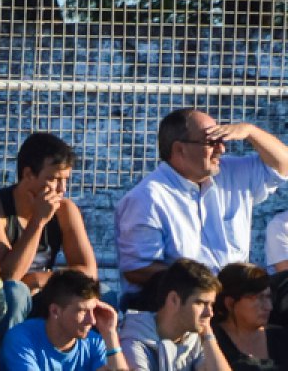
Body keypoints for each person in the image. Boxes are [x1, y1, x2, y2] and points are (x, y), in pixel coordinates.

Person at [116, 108, 288, 297]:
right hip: (180, 304)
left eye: (222, 140)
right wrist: (204, 283)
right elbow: (137, 269)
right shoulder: (147, 198)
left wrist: (250, 131)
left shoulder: (232, 172)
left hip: (234, 301)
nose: (221, 149)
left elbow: (283, 164)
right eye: (212, 142)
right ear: (179, 149)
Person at [0, 132, 96, 358]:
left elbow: (89, 273)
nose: (62, 189)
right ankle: (4, 362)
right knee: (16, 292)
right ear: (28, 175)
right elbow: (8, 276)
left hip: (41, 297)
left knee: (102, 296)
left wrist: (39, 279)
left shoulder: (65, 210)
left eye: (66, 179)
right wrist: (38, 221)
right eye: (54, 179)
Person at [0, 269, 128, 371]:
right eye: (82, 311)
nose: (92, 320)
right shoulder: (20, 339)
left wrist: (110, 333)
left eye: (93, 310)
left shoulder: (95, 342)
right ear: (55, 311)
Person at [120, 258, 230, 371]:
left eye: (211, 304)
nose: (209, 313)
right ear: (174, 300)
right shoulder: (133, 338)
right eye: (200, 303)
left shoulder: (196, 338)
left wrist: (208, 336)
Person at [213, 263, 288, 370]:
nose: (269, 307)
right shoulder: (210, 342)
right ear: (230, 303)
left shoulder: (282, 338)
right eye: (258, 298)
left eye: (268, 297)